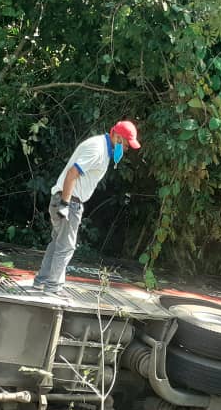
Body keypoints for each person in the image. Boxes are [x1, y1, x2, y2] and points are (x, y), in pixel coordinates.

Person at [32, 120, 142, 295]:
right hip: (69, 201)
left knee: (57, 242)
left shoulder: (103, 148)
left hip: (62, 198)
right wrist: (65, 204)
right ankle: (52, 287)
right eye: (127, 144)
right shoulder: (97, 150)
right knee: (66, 246)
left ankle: (41, 281)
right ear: (118, 137)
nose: (127, 149)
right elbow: (72, 174)